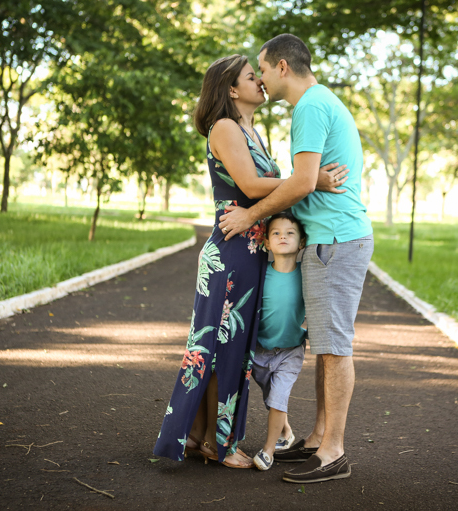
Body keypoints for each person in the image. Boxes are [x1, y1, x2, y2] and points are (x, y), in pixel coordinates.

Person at [152, 54, 349, 468]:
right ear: (230, 89)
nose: (260, 80)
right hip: (230, 251)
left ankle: (198, 435)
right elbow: (250, 184)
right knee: (219, 347)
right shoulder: (224, 127)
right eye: (250, 76)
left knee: (230, 346)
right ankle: (216, 444)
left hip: (250, 250)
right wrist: (310, 181)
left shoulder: (252, 131)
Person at [219, 34, 374, 483]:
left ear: (283, 66)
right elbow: (308, 180)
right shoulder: (320, 102)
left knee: (334, 348)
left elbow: (304, 182)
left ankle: (333, 452)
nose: (262, 80)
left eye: (264, 70)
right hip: (331, 239)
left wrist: (250, 214)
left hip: (335, 240)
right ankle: (319, 439)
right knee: (326, 347)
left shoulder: (308, 107)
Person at [251, 212, 307, 471]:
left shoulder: (307, 276)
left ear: (302, 241)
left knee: (277, 398)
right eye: (276, 233)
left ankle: (268, 451)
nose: (283, 237)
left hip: (290, 350)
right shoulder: (260, 275)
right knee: (272, 399)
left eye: (290, 233)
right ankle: (286, 432)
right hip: (260, 350)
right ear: (266, 242)